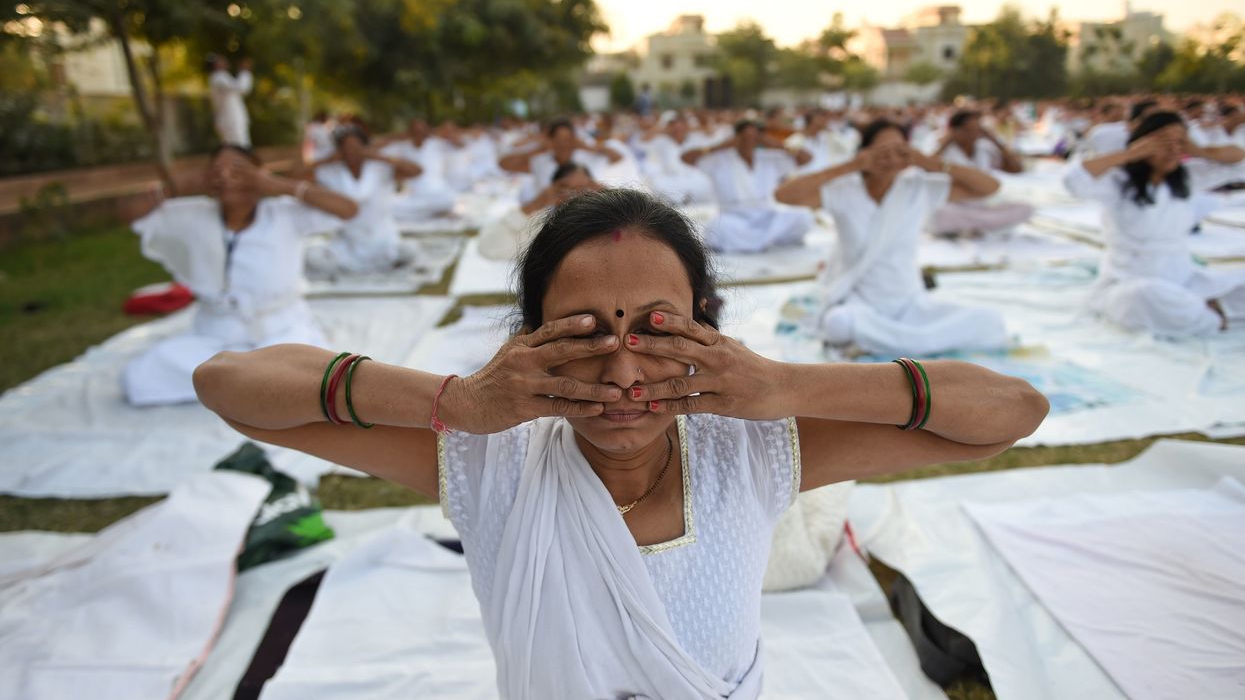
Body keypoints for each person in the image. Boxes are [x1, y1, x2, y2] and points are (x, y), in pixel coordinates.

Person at [194, 187, 1048, 698]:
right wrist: (457, 399)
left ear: (706, 325)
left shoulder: (750, 449)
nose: (622, 368)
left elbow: (1009, 411)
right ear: (528, 339)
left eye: (656, 327)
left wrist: (789, 385)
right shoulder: (486, 458)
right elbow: (229, 385)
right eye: (582, 331)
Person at [122, 147, 358, 406]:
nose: (226, 176)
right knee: (143, 375)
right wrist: (175, 187)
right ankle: (245, 386)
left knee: (301, 377)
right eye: (217, 171)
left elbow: (348, 209)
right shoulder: (192, 214)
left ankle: (241, 386)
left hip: (281, 331)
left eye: (238, 169)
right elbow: (127, 212)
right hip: (216, 336)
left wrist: (276, 184)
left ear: (258, 175)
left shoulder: (285, 213)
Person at [775, 119, 1008, 356]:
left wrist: (929, 162)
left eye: (899, 151)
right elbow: (784, 195)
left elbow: (990, 188)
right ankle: (902, 343)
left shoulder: (919, 187)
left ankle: (884, 343)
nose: (890, 159)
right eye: (882, 151)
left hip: (908, 302)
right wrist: (850, 166)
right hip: (858, 303)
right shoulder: (844, 188)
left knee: (990, 321)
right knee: (838, 324)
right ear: (865, 152)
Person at [1064, 111, 1245, 337]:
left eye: (1180, 142)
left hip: (1185, 280)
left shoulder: (1187, 178)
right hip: (1130, 283)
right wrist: (1129, 154)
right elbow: (1073, 180)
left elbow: (1239, 164)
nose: (1173, 149)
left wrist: (1196, 150)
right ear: (1143, 142)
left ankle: (1202, 308)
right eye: (1163, 142)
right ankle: (1211, 317)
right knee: (1143, 296)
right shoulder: (1118, 181)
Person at [683, 120, 815, 253]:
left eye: (754, 137)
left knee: (803, 217)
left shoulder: (769, 157)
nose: (749, 140)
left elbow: (807, 159)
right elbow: (685, 158)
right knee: (719, 228)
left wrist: (778, 144)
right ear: (736, 138)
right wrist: (721, 146)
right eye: (745, 137)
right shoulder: (719, 160)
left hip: (767, 215)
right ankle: (763, 240)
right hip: (734, 217)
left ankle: (752, 241)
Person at [307, 124, 422, 275]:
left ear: (365, 147)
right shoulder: (332, 171)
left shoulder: (379, 167)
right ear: (339, 150)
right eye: (346, 148)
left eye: (356, 147)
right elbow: (295, 176)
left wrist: (378, 156)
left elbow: (417, 171)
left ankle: (388, 262)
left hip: (383, 240)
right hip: (349, 242)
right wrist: (328, 160)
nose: (351, 152)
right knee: (312, 256)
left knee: (409, 251)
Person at [931, 110, 1033, 237]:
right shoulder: (945, 151)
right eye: (968, 130)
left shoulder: (985, 148)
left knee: (1025, 208)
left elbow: (1016, 169)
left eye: (977, 130)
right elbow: (925, 169)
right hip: (956, 207)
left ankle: (973, 227)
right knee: (940, 213)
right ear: (955, 131)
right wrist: (944, 145)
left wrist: (995, 140)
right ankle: (978, 226)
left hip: (983, 206)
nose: (974, 134)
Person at [477, 162, 602, 261]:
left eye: (583, 188)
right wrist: (534, 205)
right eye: (566, 188)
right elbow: (489, 247)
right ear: (553, 190)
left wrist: (608, 197)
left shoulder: (603, 221)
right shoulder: (541, 226)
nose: (575, 194)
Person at [499, 118, 624, 205]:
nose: (563, 144)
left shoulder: (586, 158)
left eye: (567, 139)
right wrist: (539, 149)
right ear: (551, 140)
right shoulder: (541, 162)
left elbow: (617, 157)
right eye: (558, 139)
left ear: (574, 139)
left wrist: (587, 147)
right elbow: (504, 164)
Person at [380, 118, 459, 222]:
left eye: (421, 130)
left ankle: (426, 213)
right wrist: (399, 136)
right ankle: (429, 214)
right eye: (415, 130)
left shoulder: (436, 144)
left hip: (439, 195)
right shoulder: (402, 146)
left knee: (448, 200)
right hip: (414, 198)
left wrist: (440, 132)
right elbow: (377, 146)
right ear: (410, 131)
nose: (418, 133)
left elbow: (460, 144)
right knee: (388, 206)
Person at [643, 113, 717, 206]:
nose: (678, 130)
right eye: (675, 127)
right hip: (668, 179)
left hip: (692, 178)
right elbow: (645, 143)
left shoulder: (695, 140)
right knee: (657, 185)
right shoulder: (660, 141)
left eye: (681, 128)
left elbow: (710, 132)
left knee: (705, 182)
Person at [207, 55, 253, 148]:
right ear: (216, 65)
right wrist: (245, 71)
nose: (224, 61)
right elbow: (242, 88)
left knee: (238, 147)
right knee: (238, 148)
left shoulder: (222, 77)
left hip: (231, 119)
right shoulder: (218, 78)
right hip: (230, 120)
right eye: (221, 60)